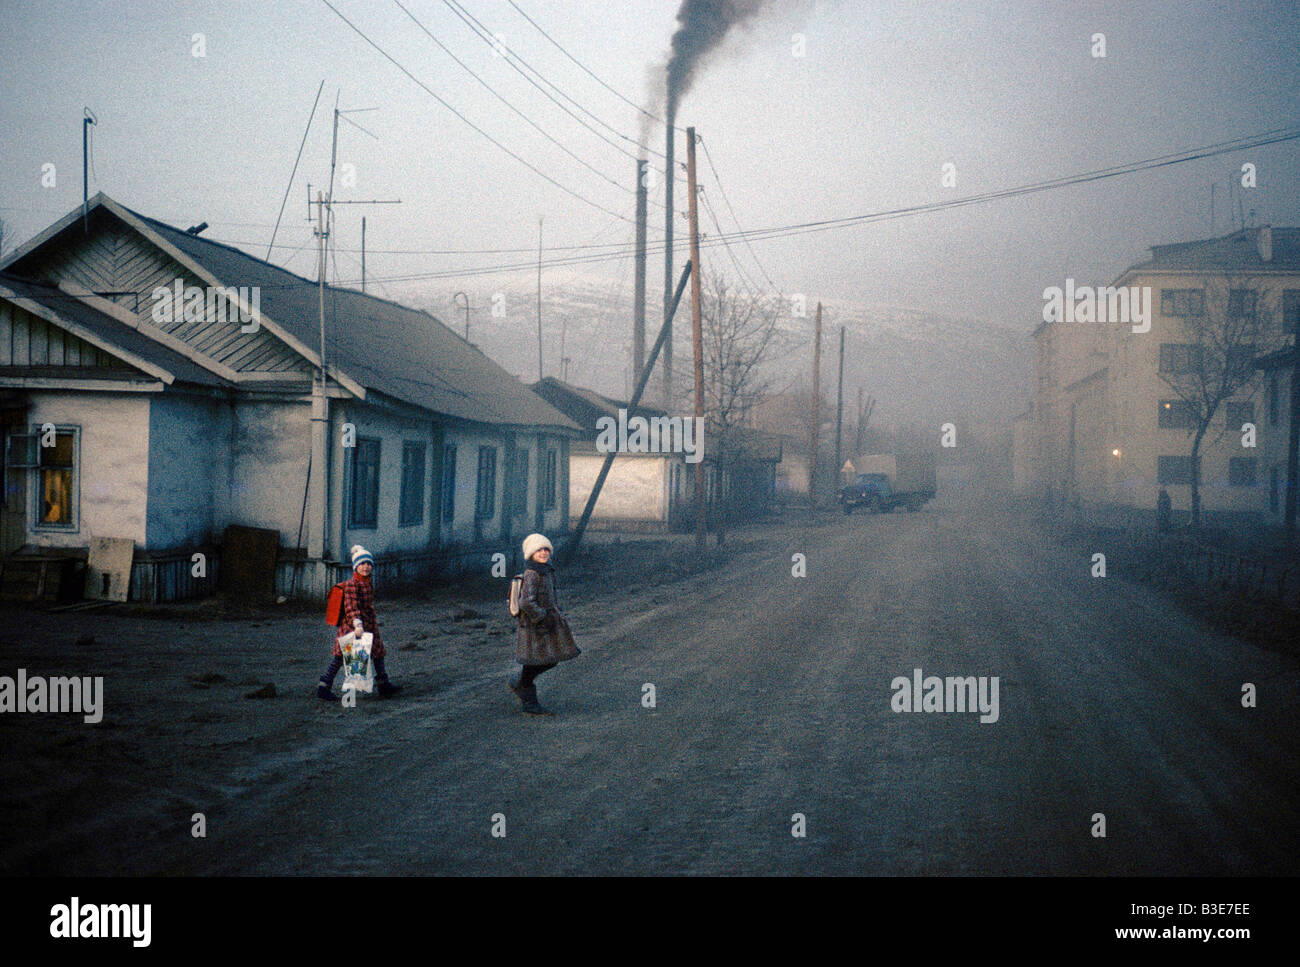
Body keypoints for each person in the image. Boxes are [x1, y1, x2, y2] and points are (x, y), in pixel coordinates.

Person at [318, 545, 402, 700]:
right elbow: (351, 607)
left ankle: (383, 684)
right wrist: (357, 624)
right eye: (362, 564)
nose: (366, 567)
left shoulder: (367, 582)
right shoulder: (352, 584)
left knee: (378, 652)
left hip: (369, 624)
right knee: (342, 656)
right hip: (353, 626)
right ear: (355, 566)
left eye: (369, 564)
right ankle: (324, 686)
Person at [509, 533, 580, 715]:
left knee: (549, 659)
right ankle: (528, 697)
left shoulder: (546, 571)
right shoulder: (532, 573)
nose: (543, 553)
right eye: (538, 550)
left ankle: (521, 683)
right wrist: (541, 616)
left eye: (546, 549)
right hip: (536, 626)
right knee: (538, 659)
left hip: (547, 623)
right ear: (531, 554)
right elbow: (526, 602)